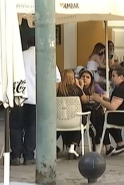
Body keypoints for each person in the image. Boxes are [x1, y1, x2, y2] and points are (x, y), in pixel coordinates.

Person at [10, 37, 61, 166]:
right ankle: (29, 156)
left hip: (18, 97)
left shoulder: (19, 56)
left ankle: (15, 155)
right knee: (32, 127)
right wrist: (49, 95)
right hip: (36, 98)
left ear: (28, 44)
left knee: (16, 127)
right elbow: (57, 79)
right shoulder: (46, 58)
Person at [91, 65, 124, 156]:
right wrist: (105, 98)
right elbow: (119, 102)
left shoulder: (120, 89)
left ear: (121, 77)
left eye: (113, 76)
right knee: (107, 118)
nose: (112, 78)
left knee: (98, 119)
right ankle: (120, 144)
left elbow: (113, 107)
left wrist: (100, 100)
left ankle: (108, 147)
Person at [56, 69, 88, 159]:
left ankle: (52, 145)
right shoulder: (76, 90)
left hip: (59, 121)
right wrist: (80, 87)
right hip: (74, 120)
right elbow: (85, 100)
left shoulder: (57, 90)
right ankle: (72, 147)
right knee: (82, 120)